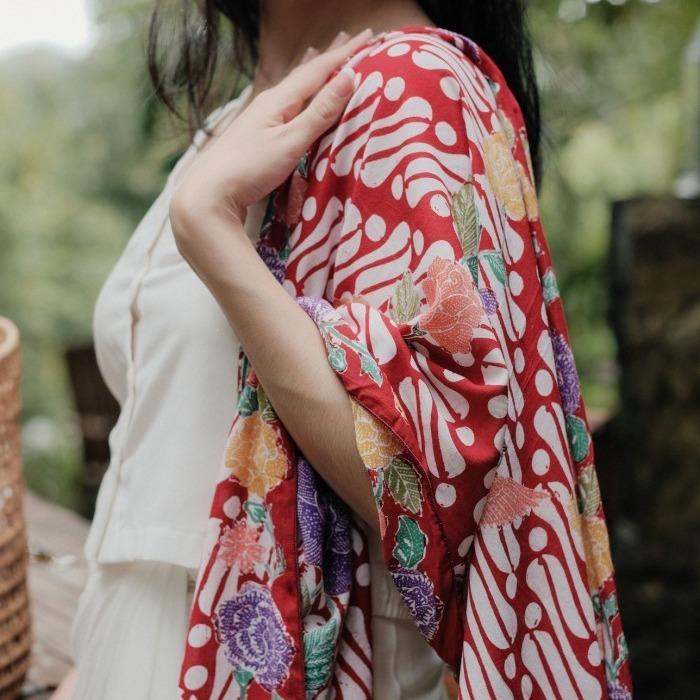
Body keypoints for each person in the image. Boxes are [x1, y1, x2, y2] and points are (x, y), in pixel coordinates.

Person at [55, 1, 632, 699]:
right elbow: (149, 485)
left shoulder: (411, 83)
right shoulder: (237, 116)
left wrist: (209, 229)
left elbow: (432, 494)